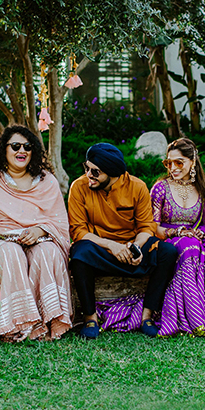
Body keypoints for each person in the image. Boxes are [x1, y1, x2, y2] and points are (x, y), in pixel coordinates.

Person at [97, 138, 205, 336]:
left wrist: (200, 232)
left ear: (192, 162)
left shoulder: (203, 190)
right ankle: (193, 319)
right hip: (167, 239)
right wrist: (178, 232)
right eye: (168, 163)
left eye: (179, 162)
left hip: (193, 238)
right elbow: (152, 226)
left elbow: (204, 223)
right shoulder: (161, 188)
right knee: (188, 247)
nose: (173, 168)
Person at [68, 142, 178, 339]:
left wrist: (135, 247)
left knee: (168, 253)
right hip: (100, 250)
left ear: (112, 173)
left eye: (95, 172)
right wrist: (112, 245)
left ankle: (147, 316)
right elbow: (78, 231)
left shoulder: (137, 187)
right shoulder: (79, 187)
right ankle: (90, 318)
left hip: (131, 250)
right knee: (79, 253)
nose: (88, 175)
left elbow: (146, 227)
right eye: (87, 168)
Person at [0, 125, 72, 341]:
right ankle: (17, 324)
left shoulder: (46, 180)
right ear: (3, 149)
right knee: (11, 254)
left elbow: (59, 222)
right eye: (15, 146)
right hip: (2, 240)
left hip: (41, 238)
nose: (22, 151)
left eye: (27, 147)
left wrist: (40, 230)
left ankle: (48, 321)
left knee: (48, 252)